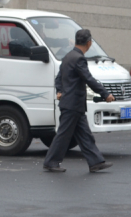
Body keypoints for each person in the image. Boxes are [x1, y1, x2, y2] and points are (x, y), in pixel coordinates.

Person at [43, 29, 114, 173]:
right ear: (89, 43)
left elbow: (59, 77)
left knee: (85, 135)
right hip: (73, 104)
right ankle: (51, 162)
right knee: (63, 135)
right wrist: (106, 94)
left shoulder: (68, 56)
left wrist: (60, 91)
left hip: (72, 104)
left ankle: (95, 162)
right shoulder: (79, 58)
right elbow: (88, 79)